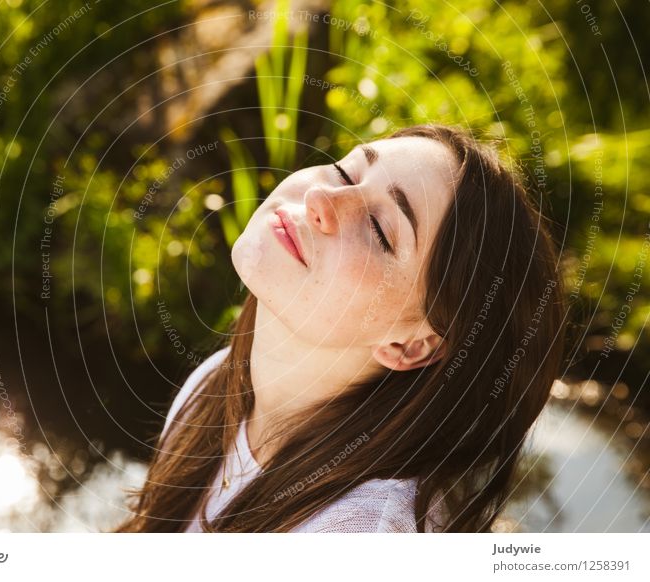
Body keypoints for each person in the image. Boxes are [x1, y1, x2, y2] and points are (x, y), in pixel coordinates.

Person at [112, 124, 569, 533]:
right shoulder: (212, 387)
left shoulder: (359, 532)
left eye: (378, 227)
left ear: (411, 345)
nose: (321, 200)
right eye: (345, 173)